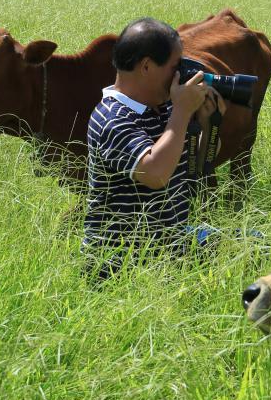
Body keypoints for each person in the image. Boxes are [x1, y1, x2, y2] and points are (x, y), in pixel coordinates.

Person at [83, 17, 222, 279]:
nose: (180, 75)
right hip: (120, 259)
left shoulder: (167, 106)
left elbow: (198, 167)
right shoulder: (112, 117)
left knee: (255, 244)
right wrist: (181, 112)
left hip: (171, 241)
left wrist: (208, 123)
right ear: (146, 66)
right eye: (174, 67)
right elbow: (155, 174)